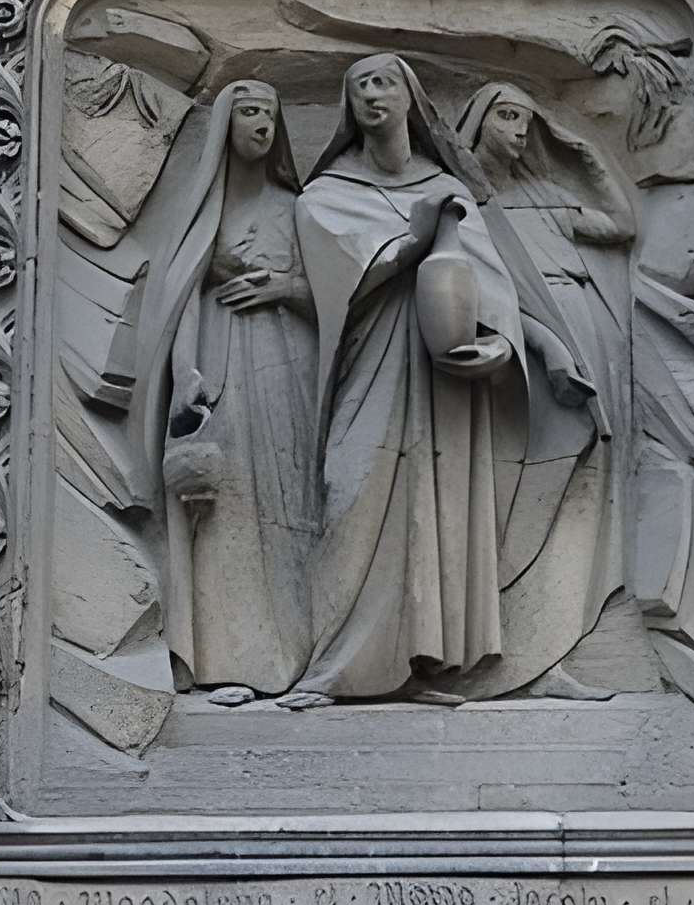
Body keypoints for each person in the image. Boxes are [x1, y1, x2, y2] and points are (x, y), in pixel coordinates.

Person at [290, 54, 600, 703]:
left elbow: (493, 286)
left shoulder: (447, 189)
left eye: (385, 82)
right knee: (354, 493)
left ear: (412, 99)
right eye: (360, 85)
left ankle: (430, 664)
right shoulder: (326, 195)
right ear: (348, 106)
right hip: (372, 370)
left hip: (446, 383)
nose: (373, 95)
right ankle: (337, 668)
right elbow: (337, 281)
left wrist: (511, 343)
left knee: (447, 511)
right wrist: (415, 240)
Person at [126, 80, 316, 698]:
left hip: (288, 366)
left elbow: (333, 296)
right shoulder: (203, 211)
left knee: (290, 501)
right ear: (226, 125)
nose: (261, 124)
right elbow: (180, 298)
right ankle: (229, 661)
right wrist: (185, 373)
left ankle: (297, 657)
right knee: (220, 506)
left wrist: (285, 287)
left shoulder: (296, 207)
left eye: (270, 113)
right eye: (249, 111)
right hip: (219, 361)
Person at [458, 82, 637, 686]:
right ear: (478, 121)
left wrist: (589, 158)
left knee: (582, 490)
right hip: (521, 345)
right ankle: (507, 649)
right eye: (506, 116)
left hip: (585, 330)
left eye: (527, 122)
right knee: (523, 490)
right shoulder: (466, 201)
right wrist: (538, 340)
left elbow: (620, 226)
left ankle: (551, 649)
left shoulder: (545, 194)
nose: (518, 130)